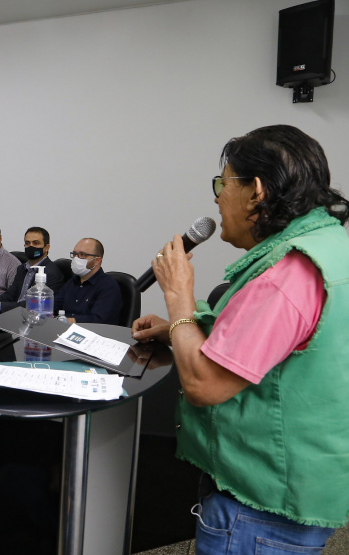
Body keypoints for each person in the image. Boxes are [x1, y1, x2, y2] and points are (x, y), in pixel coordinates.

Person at [131, 125, 349, 554]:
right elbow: (269, 338)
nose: (215, 198)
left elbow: (205, 385)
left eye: (222, 184)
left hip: (264, 500)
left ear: (256, 191)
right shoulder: (326, 243)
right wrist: (185, 326)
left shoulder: (290, 272)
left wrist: (178, 297)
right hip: (301, 474)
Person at [0, 226, 65, 312]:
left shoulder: (52, 273)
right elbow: (10, 295)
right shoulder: (22, 268)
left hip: (33, 319)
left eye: (36, 243)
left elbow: (33, 305)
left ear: (46, 248)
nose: (31, 246)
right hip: (15, 315)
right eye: (27, 243)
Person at [53, 238, 121, 324]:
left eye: (82, 255)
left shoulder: (108, 286)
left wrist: (66, 321)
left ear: (97, 261)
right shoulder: (72, 282)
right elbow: (54, 306)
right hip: (64, 331)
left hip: (92, 334)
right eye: (74, 254)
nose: (76, 258)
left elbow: (99, 320)